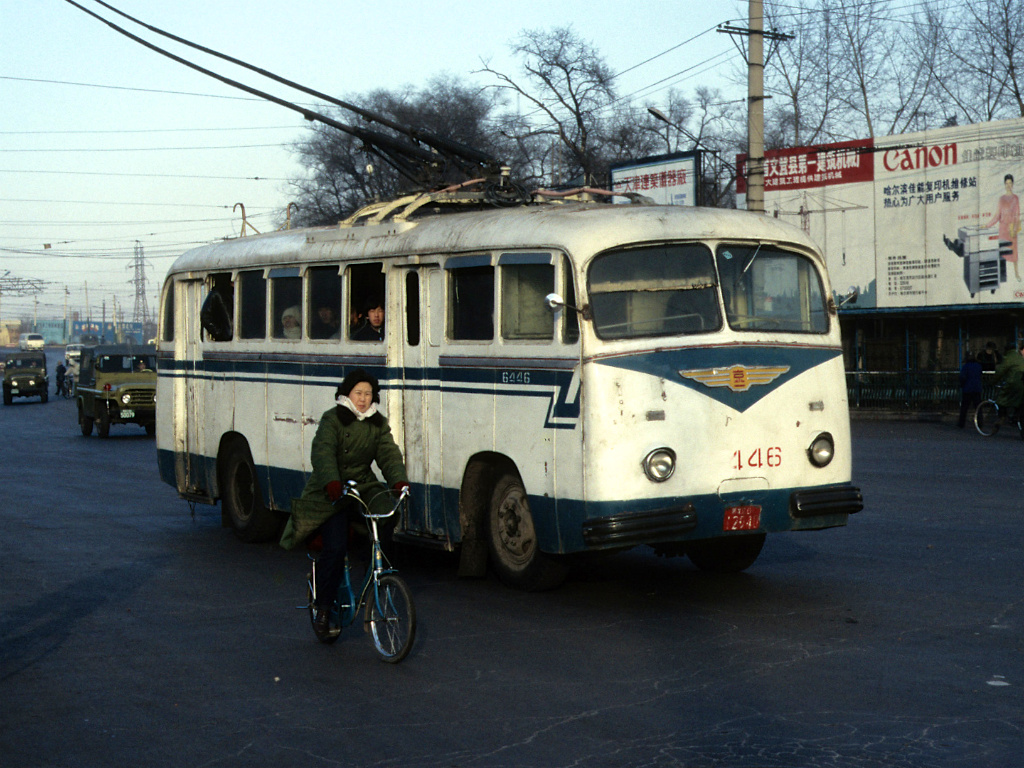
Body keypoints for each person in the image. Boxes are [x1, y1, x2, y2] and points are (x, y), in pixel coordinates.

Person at [280, 369, 409, 641]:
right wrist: (331, 481)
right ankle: (324, 609)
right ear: (347, 394)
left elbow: (388, 453)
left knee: (385, 519)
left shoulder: (377, 423)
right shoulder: (332, 419)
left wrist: (398, 481)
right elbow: (323, 451)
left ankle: (377, 576)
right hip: (332, 490)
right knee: (336, 547)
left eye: (368, 394)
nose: (363, 399)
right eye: (358, 393)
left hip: (363, 486)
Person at [985, 174, 1021, 281]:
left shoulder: (1015, 198)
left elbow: (1017, 215)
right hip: (1003, 230)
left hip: (1012, 229)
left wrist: (1014, 229)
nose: (1008, 185)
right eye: (1006, 183)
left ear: (1013, 184)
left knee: (1014, 253)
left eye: (1010, 183)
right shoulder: (1001, 199)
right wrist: (987, 225)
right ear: (1004, 184)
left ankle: (1017, 274)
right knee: (1002, 253)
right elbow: (997, 216)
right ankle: (1002, 276)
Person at [992, 340, 1024, 422]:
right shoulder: (1020, 358)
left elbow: (1000, 372)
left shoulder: (1008, 358)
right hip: (1022, 384)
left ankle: (1002, 417)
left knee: (1001, 400)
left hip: (1012, 384)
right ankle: (1016, 418)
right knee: (1018, 401)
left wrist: (992, 382)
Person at [957, 352, 983, 428]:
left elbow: (962, 377)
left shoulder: (966, 366)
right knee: (978, 407)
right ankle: (980, 422)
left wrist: (962, 384)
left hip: (967, 388)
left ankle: (961, 423)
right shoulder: (978, 366)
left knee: (964, 407)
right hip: (977, 388)